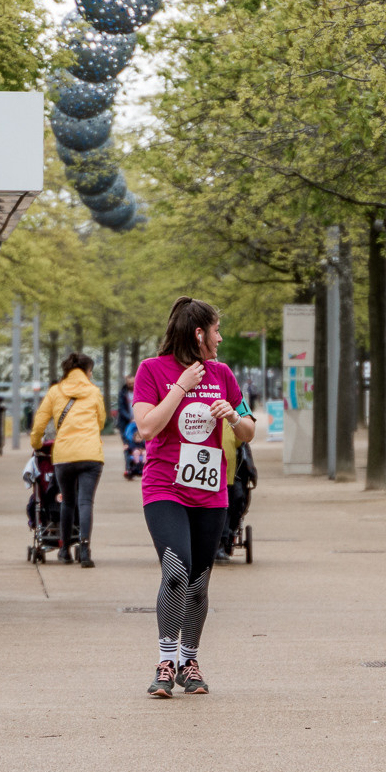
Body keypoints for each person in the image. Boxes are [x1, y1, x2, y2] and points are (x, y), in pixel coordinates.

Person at [132, 296, 256, 696]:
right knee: (176, 571)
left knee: (200, 581)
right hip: (165, 487)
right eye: (216, 330)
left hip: (210, 491)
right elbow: (146, 428)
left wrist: (234, 417)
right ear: (199, 333)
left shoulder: (222, 374)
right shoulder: (151, 370)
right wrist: (182, 387)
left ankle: (190, 660)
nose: (220, 337)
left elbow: (249, 430)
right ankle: (166, 660)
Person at [31, 351, 109, 567]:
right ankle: (84, 549)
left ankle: (64, 549)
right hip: (91, 455)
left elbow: (40, 422)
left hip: (63, 455)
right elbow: (101, 421)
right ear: (86, 372)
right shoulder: (94, 392)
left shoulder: (55, 392)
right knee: (85, 501)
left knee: (67, 500)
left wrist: (36, 443)